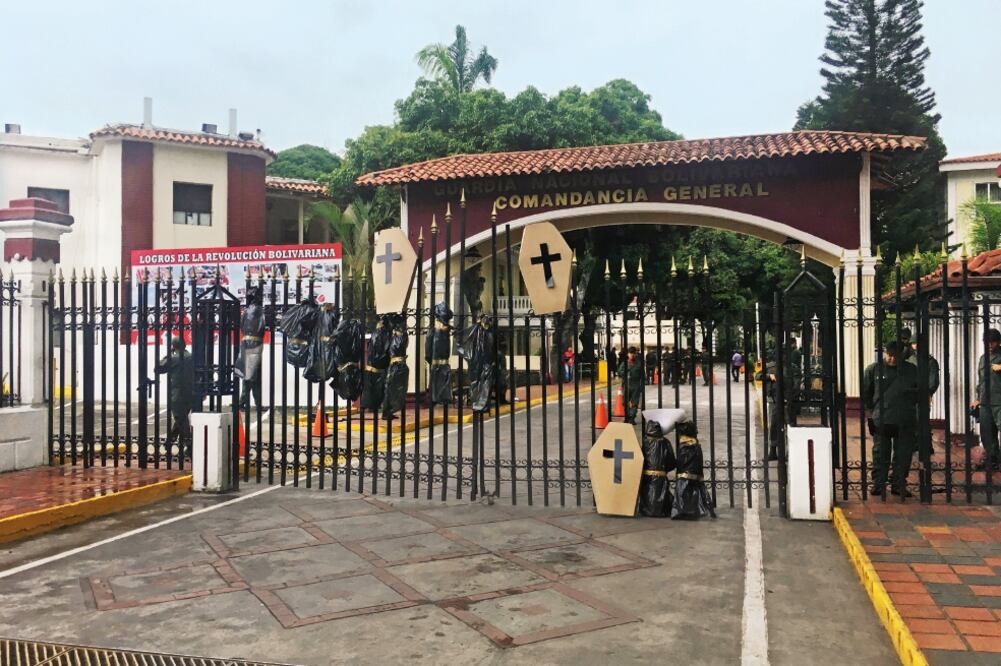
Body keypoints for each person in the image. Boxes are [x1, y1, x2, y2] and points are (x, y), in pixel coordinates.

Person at [863, 341, 920, 497]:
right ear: (884, 352)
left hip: (905, 418)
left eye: (896, 356)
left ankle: (898, 483)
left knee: (903, 454)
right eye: (890, 356)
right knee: (880, 452)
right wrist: (873, 411)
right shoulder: (873, 369)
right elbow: (866, 393)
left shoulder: (911, 370)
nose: (893, 359)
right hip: (881, 418)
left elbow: (919, 392)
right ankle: (878, 483)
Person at [756, 341, 804, 462]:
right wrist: (768, 376)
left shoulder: (792, 368)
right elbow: (758, 375)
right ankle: (773, 452)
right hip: (774, 401)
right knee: (774, 426)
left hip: (788, 401)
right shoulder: (771, 367)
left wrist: (790, 396)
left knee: (790, 425)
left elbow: (797, 385)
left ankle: (789, 452)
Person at [156, 335, 196, 448]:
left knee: (182, 420)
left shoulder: (173, 358)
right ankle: (169, 443)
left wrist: (169, 353)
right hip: (190, 394)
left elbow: (158, 368)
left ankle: (189, 447)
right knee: (181, 418)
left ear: (173, 346)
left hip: (177, 395)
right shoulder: (191, 357)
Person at [972, 329, 1001, 471]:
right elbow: (981, 380)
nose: (990, 345)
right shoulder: (983, 358)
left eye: (993, 342)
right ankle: (992, 459)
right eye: (987, 342)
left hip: (999, 400)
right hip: (985, 401)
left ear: (999, 342)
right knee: (986, 432)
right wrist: (978, 398)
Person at [617, 346, 645, 424]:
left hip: (636, 385)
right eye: (631, 353)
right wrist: (626, 371)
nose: (632, 355)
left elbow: (643, 375)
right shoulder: (624, 363)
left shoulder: (639, 363)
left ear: (636, 354)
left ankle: (632, 418)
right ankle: (628, 416)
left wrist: (642, 385)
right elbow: (619, 372)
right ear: (628, 354)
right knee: (624, 402)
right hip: (626, 384)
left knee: (635, 403)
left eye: (633, 353)